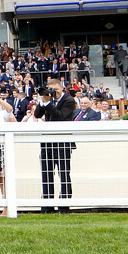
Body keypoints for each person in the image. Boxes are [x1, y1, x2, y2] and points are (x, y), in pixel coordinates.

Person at [34, 79, 76, 214]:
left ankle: (64, 206)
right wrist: (44, 100)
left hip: (63, 142)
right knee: (46, 174)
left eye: (55, 89)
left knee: (64, 174)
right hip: (47, 142)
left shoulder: (69, 100)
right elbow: (37, 114)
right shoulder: (48, 100)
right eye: (50, 89)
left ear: (62, 87)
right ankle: (47, 206)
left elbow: (61, 117)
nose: (53, 92)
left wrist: (47, 103)